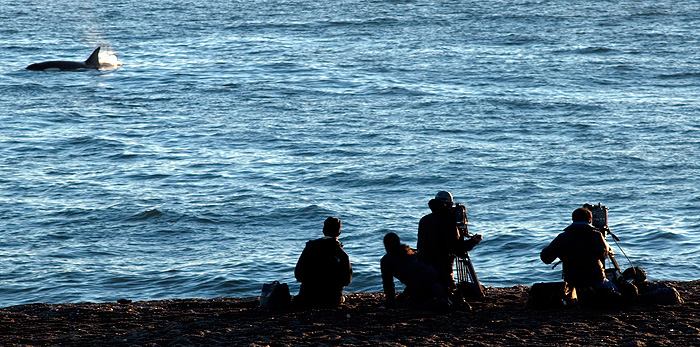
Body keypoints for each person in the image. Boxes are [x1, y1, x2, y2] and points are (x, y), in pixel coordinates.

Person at [417, 191, 482, 294]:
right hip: (442, 268)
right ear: (450, 204)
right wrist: (473, 242)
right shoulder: (448, 222)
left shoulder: (424, 220)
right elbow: (456, 248)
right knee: (448, 290)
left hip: (424, 266)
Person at [540, 207, 617, 293]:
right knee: (617, 291)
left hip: (572, 282)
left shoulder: (562, 237)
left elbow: (546, 258)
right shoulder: (597, 235)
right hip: (595, 280)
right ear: (590, 220)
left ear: (573, 219)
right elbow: (604, 255)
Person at [294, 217, 353, 307]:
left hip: (307, 297)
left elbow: (298, 274)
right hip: (331, 299)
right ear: (339, 232)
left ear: (323, 230)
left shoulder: (309, 248)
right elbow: (347, 280)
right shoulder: (341, 254)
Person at [381, 232, 446, 309]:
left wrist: (390, 303)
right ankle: (439, 294)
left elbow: (388, 284)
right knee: (426, 287)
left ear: (386, 246)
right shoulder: (409, 251)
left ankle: (438, 303)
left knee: (411, 304)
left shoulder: (386, 260)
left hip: (417, 282)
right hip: (432, 273)